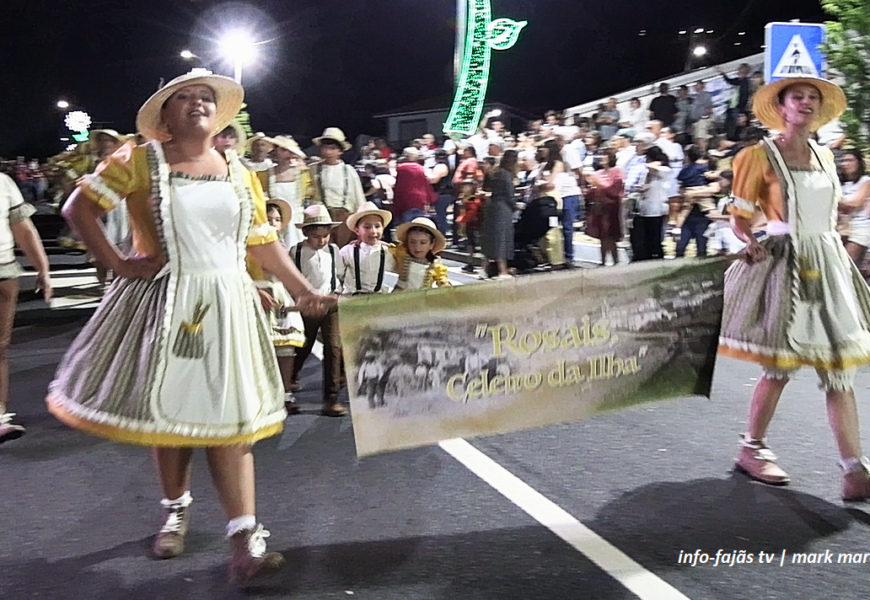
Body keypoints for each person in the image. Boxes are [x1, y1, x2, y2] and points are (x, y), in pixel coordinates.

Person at [47, 69, 336, 583]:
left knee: (233, 420)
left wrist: (302, 291)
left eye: (205, 98)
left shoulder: (239, 170)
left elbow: (260, 240)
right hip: (167, 304)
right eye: (185, 98)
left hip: (226, 303)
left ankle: (245, 538)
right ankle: (175, 510)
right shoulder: (138, 158)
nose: (198, 104)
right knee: (173, 415)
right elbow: (78, 207)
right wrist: (118, 262)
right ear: (165, 116)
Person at [719, 74, 870, 500]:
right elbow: (740, 217)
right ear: (781, 107)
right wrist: (749, 243)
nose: (805, 103)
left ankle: (854, 469)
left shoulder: (825, 156)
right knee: (781, 367)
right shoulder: (759, 155)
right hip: (788, 261)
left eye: (812, 98)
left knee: (841, 368)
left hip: (829, 262)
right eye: (797, 97)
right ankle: (751, 447)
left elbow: (835, 210)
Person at [0, 173, 52, 443]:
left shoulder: (3, 183)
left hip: (3, 272)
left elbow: (23, 228)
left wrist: (43, 269)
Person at [288, 205, 347, 417]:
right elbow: (291, 279)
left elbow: (340, 276)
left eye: (325, 235)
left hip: (331, 304)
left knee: (333, 348)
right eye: (315, 236)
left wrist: (339, 293)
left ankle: (331, 399)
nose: (321, 240)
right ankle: (290, 380)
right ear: (305, 233)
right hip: (307, 306)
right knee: (303, 346)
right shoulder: (297, 252)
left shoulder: (333, 250)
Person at [250, 199, 306, 414]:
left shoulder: (282, 245)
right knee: (257, 348)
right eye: (268, 219)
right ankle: (260, 396)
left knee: (285, 346)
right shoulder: (249, 243)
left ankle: (284, 393)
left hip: (279, 295)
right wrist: (255, 290)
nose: (273, 223)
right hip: (256, 292)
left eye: (277, 220)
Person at [311, 127, 365, 247]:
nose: (328, 151)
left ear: (340, 151)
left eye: (332, 148)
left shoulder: (348, 170)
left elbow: (358, 195)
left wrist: (362, 218)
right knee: (323, 247)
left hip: (344, 215)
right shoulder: (313, 169)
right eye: (325, 147)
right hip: (322, 215)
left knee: (343, 248)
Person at [257, 135, 313, 250]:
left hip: (297, 221)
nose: (279, 152)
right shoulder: (264, 175)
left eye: (285, 150)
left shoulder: (304, 175)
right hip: (274, 221)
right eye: (279, 149)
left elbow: (311, 199)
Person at [340, 201, 397, 295]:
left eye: (377, 226)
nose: (373, 231)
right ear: (357, 230)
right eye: (367, 227)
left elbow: (391, 277)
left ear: (383, 228)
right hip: (353, 300)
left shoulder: (389, 253)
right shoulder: (347, 251)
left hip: (380, 300)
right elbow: (339, 275)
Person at [481, 149, 519, 279]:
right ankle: (502, 270)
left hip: (491, 206)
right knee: (502, 239)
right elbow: (509, 194)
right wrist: (516, 205)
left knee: (490, 238)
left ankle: (484, 269)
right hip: (503, 208)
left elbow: (485, 188)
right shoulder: (506, 174)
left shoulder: (493, 171)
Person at [584, 147, 624, 266]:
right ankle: (602, 261)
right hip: (598, 207)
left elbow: (613, 189)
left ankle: (616, 261)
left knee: (610, 234)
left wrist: (597, 182)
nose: (601, 157)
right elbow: (591, 192)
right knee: (602, 236)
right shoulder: (597, 173)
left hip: (611, 207)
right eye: (600, 155)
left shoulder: (617, 172)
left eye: (604, 155)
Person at [675, 145, 715, 258]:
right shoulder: (703, 169)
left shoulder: (684, 171)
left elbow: (680, 186)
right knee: (701, 246)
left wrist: (690, 190)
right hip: (702, 212)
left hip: (690, 207)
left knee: (680, 247)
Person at [631, 145, 670, 261]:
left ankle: (657, 257)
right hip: (644, 207)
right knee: (645, 237)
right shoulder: (646, 173)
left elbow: (653, 169)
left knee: (656, 237)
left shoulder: (664, 170)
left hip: (657, 208)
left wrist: (657, 163)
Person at [391, 217, 451, 290]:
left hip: (422, 300)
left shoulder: (435, 266)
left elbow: (443, 282)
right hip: (400, 297)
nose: (417, 247)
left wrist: (446, 287)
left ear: (432, 244)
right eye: (412, 242)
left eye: (423, 243)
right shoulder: (401, 255)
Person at [837, 149, 870, 266]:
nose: (845, 164)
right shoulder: (840, 183)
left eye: (850, 160)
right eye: (843, 161)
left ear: (859, 163)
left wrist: (832, 200)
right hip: (841, 229)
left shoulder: (865, 181)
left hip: (859, 228)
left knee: (848, 265)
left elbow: (855, 204)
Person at [392, 147, 435, 225]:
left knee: (406, 223)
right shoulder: (421, 168)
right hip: (420, 199)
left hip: (405, 199)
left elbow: (398, 185)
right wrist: (428, 201)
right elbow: (426, 184)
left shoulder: (400, 168)